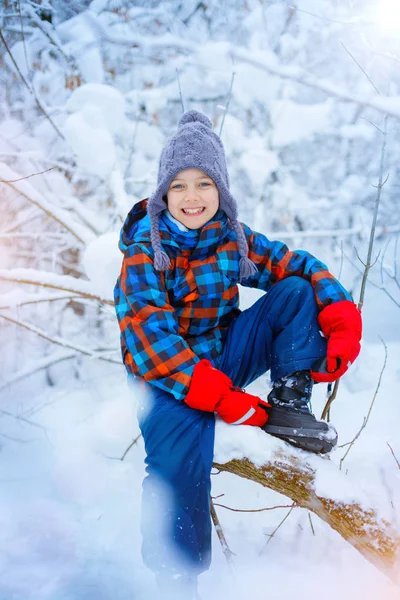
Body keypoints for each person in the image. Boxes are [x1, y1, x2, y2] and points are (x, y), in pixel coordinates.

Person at [114, 110, 362, 598]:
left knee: (294, 290)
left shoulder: (232, 236)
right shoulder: (146, 250)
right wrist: (220, 398)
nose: (192, 197)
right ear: (163, 193)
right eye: (179, 186)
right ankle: (176, 574)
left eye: (204, 184)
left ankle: (290, 401)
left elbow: (299, 265)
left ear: (221, 191)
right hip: (164, 379)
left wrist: (340, 312)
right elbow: (150, 340)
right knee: (178, 459)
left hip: (224, 353)